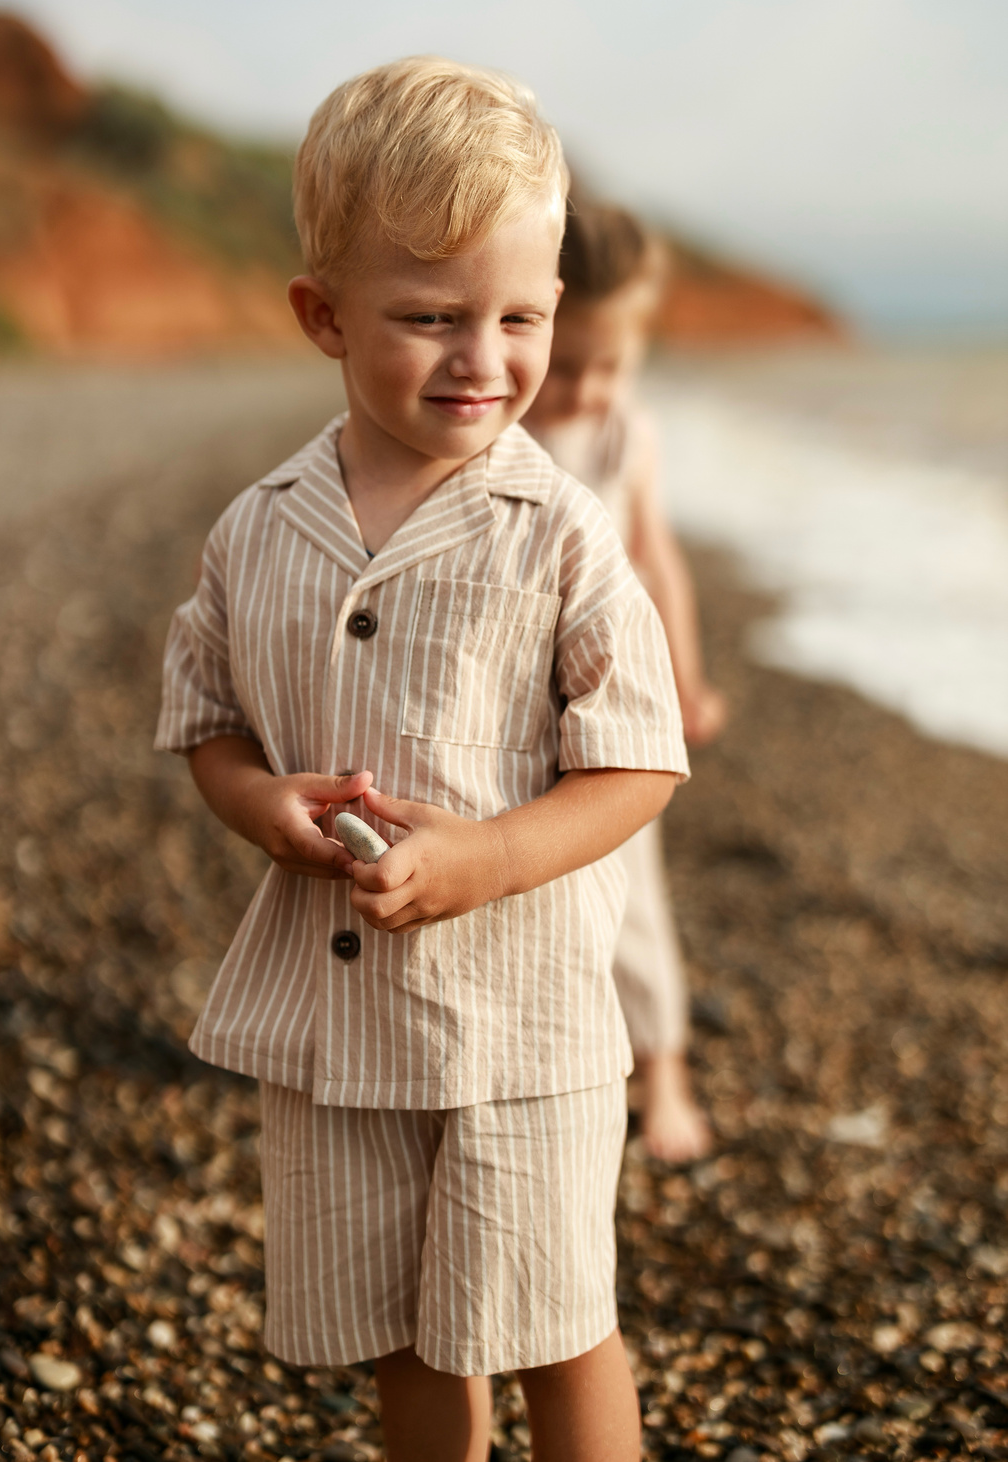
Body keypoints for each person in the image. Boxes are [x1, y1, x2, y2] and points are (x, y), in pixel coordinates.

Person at [155, 58, 689, 1462]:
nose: (485, 360)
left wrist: (485, 855)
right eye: (430, 318)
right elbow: (206, 717)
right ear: (322, 316)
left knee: (556, 1320)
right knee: (401, 1332)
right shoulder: (257, 529)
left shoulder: (560, 535)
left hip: (525, 1026)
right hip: (340, 1037)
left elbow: (639, 763)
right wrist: (260, 803)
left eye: (520, 317)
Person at [524, 198, 727, 1164]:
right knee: (519, 880)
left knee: (631, 883)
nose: (588, 387)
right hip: (512, 706)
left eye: (612, 366)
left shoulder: (621, 436)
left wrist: (684, 681)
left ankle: (664, 1070)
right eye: (567, 365)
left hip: (610, 708)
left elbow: (658, 557)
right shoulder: (492, 430)